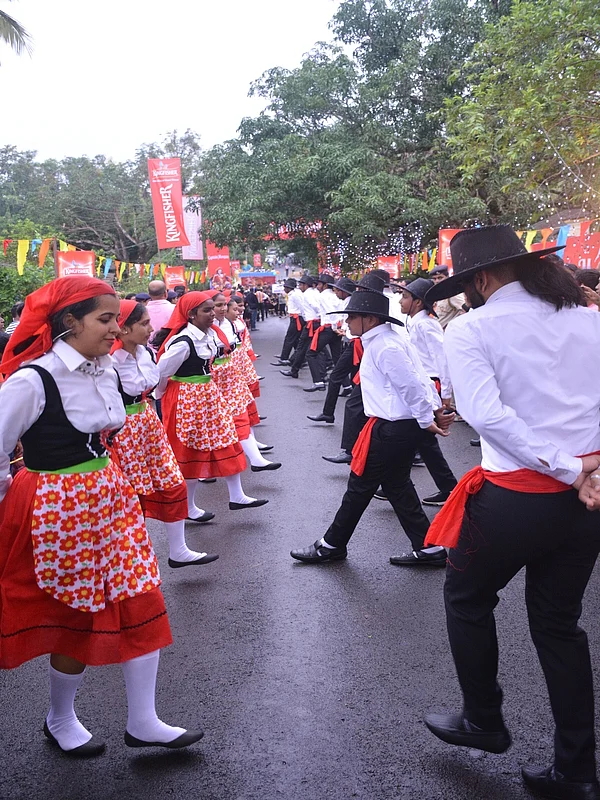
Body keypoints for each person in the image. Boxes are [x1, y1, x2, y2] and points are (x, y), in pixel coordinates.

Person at [422, 225, 600, 800]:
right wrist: (586, 471)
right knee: (558, 626)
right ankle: (576, 769)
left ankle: (484, 718)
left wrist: (570, 469)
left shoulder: (472, 328)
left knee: (467, 598)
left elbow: (487, 416)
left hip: (517, 498)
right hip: (585, 500)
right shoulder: (589, 319)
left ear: (481, 278)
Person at [0, 276, 203, 756]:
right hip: (57, 505)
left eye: (116, 319)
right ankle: (60, 716)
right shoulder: (34, 379)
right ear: (69, 322)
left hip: (109, 497)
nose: (116, 329)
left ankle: (144, 720)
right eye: (105, 319)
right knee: (73, 613)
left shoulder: (107, 368)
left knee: (140, 593)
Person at [291, 287, 451, 567]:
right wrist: (433, 409)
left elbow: (412, 383)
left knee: (361, 487)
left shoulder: (384, 345)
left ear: (371, 319)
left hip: (392, 428)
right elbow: (418, 378)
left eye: (352, 316)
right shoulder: (387, 340)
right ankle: (428, 548)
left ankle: (331, 545)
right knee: (396, 487)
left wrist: (429, 417)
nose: (347, 322)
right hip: (395, 426)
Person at [110, 299, 218, 568]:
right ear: (123, 328)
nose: (151, 328)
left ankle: (178, 550)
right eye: (144, 323)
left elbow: (155, 385)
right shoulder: (109, 361)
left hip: (146, 424)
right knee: (132, 495)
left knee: (171, 480)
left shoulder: (145, 353)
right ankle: (130, 561)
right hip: (122, 431)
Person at [155, 292, 267, 510]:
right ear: (191, 314)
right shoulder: (183, 342)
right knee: (191, 450)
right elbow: (161, 373)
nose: (213, 313)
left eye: (212, 309)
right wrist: (162, 397)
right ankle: (188, 507)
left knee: (227, 438)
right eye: (207, 310)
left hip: (208, 395)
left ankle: (237, 495)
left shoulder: (209, 334)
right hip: (188, 399)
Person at [400, 278, 458, 506]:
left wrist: (445, 393)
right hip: (422, 383)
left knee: (423, 438)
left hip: (430, 385)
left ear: (417, 301)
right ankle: (398, 482)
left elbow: (442, 360)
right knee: (420, 439)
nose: (400, 300)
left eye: (405, 296)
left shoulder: (426, 324)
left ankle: (449, 489)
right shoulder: (414, 322)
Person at [210, 291, 280, 473]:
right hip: (209, 382)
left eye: (224, 305)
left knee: (240, 412)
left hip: (229, 376)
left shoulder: (228, 324)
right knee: (213, 427)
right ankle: (204, 470)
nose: (222, 309)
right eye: (217, 306)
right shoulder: (192, 334)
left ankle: (255, 457)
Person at [307, 277, 357, 424]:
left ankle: (321, 389)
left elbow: (338, 316)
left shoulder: (347, 301)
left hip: (351, 340)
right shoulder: (347, 300)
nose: (335, 291)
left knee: (334, 373)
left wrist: (341, 330)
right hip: (347, 336)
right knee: (338, 366)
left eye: (337, 289)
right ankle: (344, 391)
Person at [305, 274, 344, 393]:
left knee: (311, 354)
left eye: (319, 284)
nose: (317, 286)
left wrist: (333, 327)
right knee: (337, 358)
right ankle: (346, 386)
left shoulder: (323, 296)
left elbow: (330, 312)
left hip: (328, 328)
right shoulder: (335, 296)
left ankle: (318, 381)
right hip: (335, 327)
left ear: (325, 285)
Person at [280, 274, 321, 380]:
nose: (300, 287)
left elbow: (311, 307)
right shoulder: (315, 293)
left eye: (301, 285)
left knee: (303, 346)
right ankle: (294, 366)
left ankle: (295, 367)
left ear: (305, 285)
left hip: (311, 322)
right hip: (314, 321)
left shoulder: (306, 295)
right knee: (307, 346)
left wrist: (318, 314)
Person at [272, 278, 304, 366]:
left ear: (289, 288)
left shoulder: (294, 295)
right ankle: (299, 358)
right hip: (295, 317)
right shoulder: (293, 294)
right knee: (295, 340)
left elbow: (301, 307)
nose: (284, 289)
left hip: (297, 318)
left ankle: (284, 357)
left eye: (285, 287)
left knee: (289, 338)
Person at [429, 264, 468, 329]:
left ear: (447, 277)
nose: (437, 281)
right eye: (434, 279)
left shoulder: (453, 294)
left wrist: (453, 325)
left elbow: (468, 310)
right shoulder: (439, 295)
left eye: (440, 277)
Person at [147, 281, 175, 349]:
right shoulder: (175, 309)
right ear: (166, 294)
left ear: (149, 295)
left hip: (148, 350)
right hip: (170, 348)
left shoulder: (143, 311)